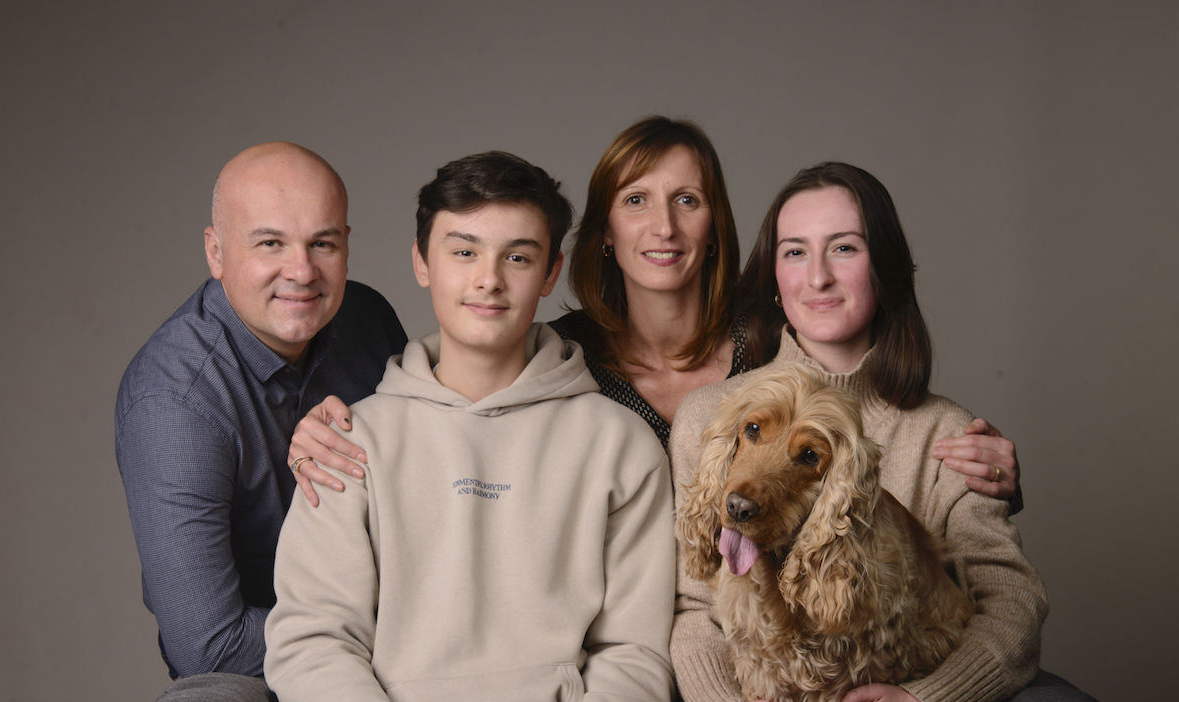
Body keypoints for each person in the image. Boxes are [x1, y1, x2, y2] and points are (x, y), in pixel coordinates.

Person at [264, 151, 706, 702]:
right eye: (463, 251)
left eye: (518, 256)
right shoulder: (351, 442)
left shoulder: (618, 441)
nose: (488, 279)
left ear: (552, 272)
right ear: (421, 262)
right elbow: (311, 638)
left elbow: (638, 648)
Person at [287, 117, 1019, 508]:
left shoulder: (775, 339)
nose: (663, 227)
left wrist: (987, 474)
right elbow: (459, 382)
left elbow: (873, 423)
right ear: (604, 232)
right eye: (636, 201)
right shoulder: (559, 356)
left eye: (687, 201)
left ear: (714, 228)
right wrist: (335, 422)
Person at [658, 162, 1049, 702]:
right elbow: (690, 601)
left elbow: (1014, 602)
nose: (819, 277)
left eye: (845, 247)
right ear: (773, 276)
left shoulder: (948, 434)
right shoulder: (715, 417)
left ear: (886, 269)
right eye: (795, 251)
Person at [115, 142, 406, 679]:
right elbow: (209, 646)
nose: (301, 271)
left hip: (406, 629)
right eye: (270, 243)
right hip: (269, 667)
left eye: (322, 243)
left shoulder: (367, 318)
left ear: (346, 245)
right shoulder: (174, 401)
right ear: (216, 252)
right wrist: (402, 641)